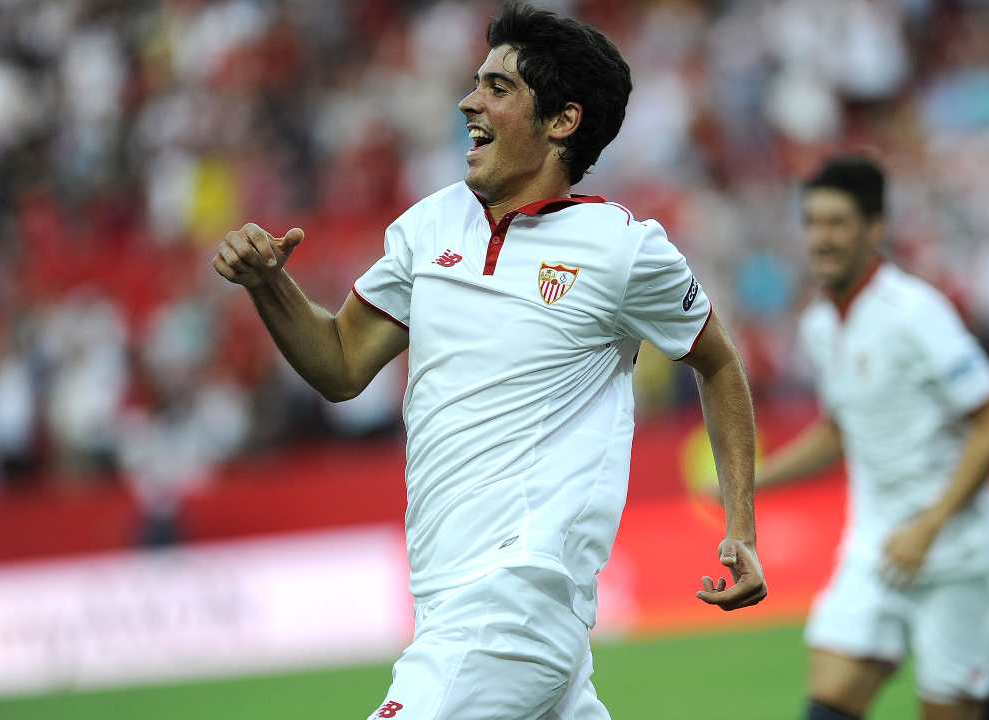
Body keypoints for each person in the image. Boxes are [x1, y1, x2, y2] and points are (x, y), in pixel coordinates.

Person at [211, 3, 765, 718]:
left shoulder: (621, 248)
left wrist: (741, 530)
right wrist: (268, 284)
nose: (469, 100)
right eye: (477, 83)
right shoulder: (428, 224)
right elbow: (341, 364)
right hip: (450, 599)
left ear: (562, 122)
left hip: (516, 596)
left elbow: (718, 364)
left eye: (499, 88)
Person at [756, 155, 989, 720]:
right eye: (812, 222)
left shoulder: (915, 312)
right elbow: (840, 431)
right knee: (829, 705)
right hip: (875, 547)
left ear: (875, 228)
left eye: (837, 223)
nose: (821, 238)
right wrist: (754, 481)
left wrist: (929, 526)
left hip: (955, 550)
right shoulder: (819, 326)